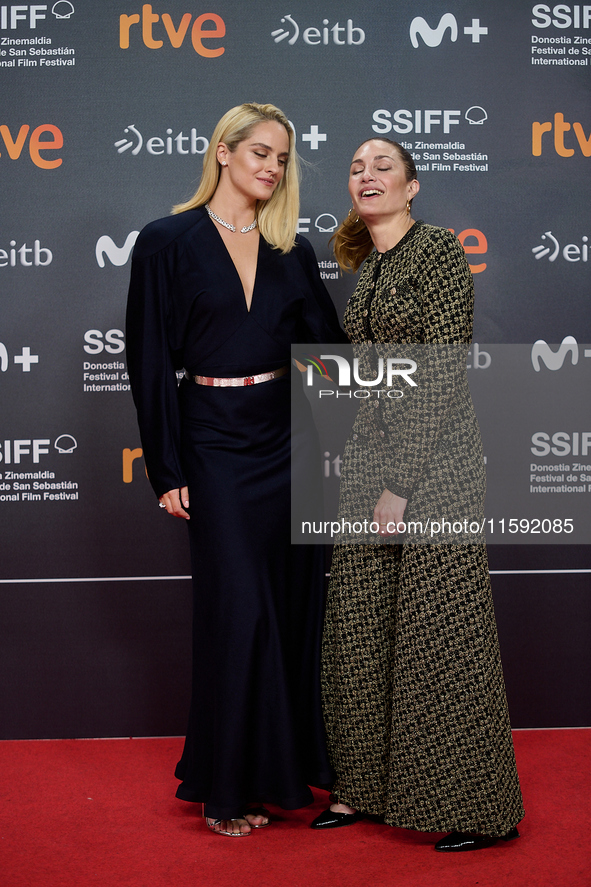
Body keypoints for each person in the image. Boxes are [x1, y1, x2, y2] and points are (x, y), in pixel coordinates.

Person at [126, 103, 344, 837]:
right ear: (221, 151)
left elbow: (330, 349)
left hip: (288, 442)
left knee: (286, 609)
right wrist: (167, 467)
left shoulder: (292, 248)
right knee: (238, 610)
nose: (271, 168)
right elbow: (150, 360)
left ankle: (279, 776)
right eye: (259, 151)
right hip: (213, 442)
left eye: (282, 158)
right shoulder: (167, 241)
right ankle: (227, 786)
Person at [311, 138, 524, 851]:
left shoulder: (435, 251)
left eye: (382, 167)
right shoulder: (367, 264)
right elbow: (368, 374)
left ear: (412, 187)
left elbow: (440, 370)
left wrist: (401, 482)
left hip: (434, 467)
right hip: (370, 461)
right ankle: (363, 788)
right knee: (361, 624)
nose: (365, 175)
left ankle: (478, 809)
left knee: (442, 631)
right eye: (355, 168)